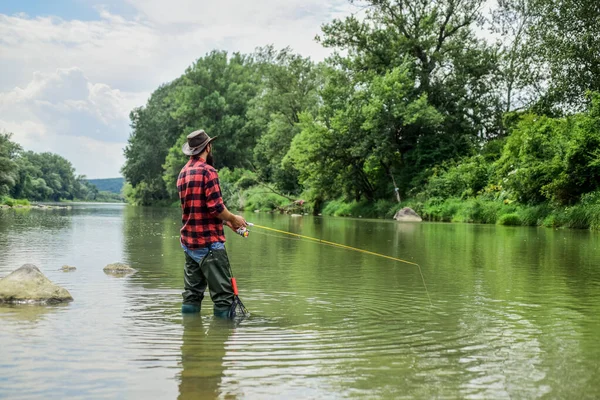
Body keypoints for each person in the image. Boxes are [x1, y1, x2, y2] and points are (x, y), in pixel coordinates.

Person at [177, 129, 247, 317]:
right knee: (224, 298)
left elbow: (196, 209)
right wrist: (234, 219)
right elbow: (216, 208)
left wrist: (226, 223)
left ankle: (190, 340)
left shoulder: (183, 173)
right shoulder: (208, 171)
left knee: (191, 295)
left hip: (189, 244)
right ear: (208, 147)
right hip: (209, 245)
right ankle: (220, 341)